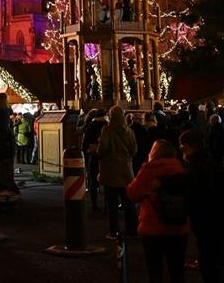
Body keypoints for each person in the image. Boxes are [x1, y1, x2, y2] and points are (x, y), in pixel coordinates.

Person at [127, 140, 188, 283]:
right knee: (177, 270)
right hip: (178, 225)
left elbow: (133, 194)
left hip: (153, 226)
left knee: (155, 269)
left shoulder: (149, 169)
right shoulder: (180, 168)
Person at [180, 129, 224, 283]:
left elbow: (194, 191)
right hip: (223, 216)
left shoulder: (195, 166)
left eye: (182, 145)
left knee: (209, 261)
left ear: (188, 146)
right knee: (220, 258)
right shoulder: (211, 161)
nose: (181, 148)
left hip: (207, 219)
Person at [99, 105, 138, 239]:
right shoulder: (129, 131)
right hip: (125, 170)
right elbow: (134, 150)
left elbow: (103, 148)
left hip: (110, 170)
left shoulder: (107, 130)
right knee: (129, 202)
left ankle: (114, 231)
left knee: (112, 204)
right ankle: (132, 230)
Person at [81, 109, 107, 212]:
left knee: (93, 181)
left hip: (93, 156)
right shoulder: (107, 127)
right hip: (105, 157)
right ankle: (107, 205)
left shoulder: (91, 127)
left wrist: (85, 157)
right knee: (107, 182)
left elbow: (85, 143)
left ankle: (94, 204)